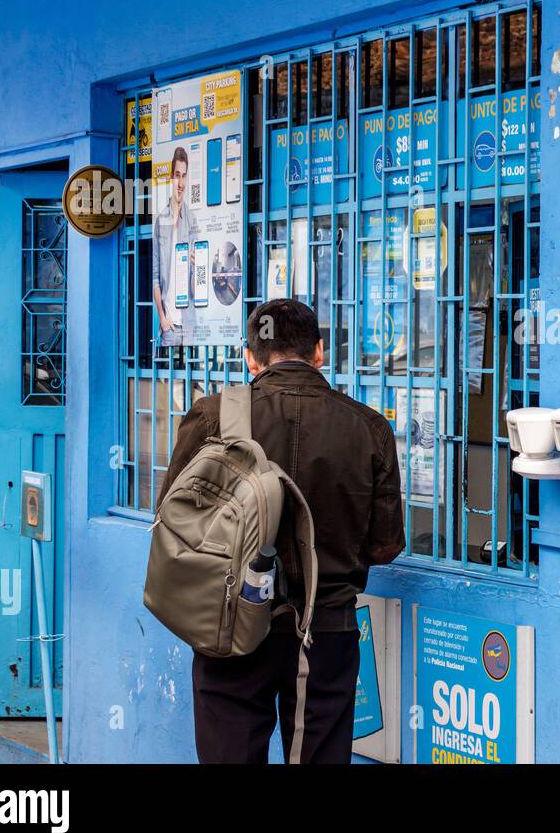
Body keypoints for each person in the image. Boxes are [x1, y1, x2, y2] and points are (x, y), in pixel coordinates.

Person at [159, 298, 405, 763]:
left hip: (227, 624)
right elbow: (385, 545)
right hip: (325, 629)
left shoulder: (213, 416)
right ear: (319, 351)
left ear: (250, 357)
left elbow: (171, 520)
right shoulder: (369, 428)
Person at [151, 145, 196, 346]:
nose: (180, 182)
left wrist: (196, 267)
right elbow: (155, 277)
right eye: (177, 175)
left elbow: (198, 281)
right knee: (169, 376)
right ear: (171, 177)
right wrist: (162, 317)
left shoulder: (192, 219)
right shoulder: (161, 221)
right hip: (168, 325)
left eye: (184, 176)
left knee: (192, 376)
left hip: (189, 322)